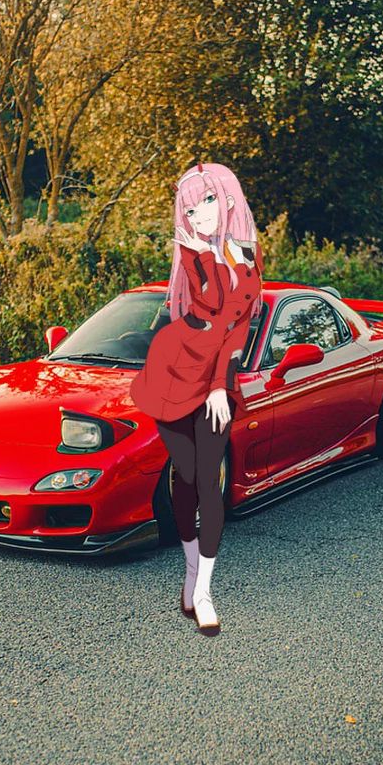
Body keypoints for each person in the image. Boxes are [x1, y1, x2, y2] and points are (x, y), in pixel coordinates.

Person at [129, 161, 264, 635]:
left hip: (214, 377)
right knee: (184, 479)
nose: (198, 213)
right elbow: (204, 305)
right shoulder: (191, 252)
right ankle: (189, 572)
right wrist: (199, 254)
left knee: (209, 480)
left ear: (227, 198)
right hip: (171, 367)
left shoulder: (247, 255)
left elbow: (237, 325)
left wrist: (217, 385)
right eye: (189, 206)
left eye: (206, 201)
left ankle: (203, 591)